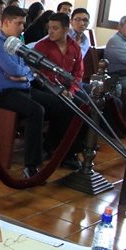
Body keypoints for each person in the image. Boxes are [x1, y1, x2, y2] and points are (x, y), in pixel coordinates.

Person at [0, 6, 64, 176]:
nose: (23, 27)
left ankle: (52, 147)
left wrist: (25, 76)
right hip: (4, 93)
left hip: (22, 88)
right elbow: (14, 70)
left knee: (60, 104)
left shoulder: (17, 42)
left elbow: (30, 69)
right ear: (5, 22)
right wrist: (24, 74)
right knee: (36, 111)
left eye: (23, 23)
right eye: (19, 23)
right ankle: (31, 166)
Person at [32, 12, 82, 166]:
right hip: (47, 86)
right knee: (65, 105)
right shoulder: (42, 46)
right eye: (49, 28)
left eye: (55, 28)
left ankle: (75, 148)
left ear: (66, 29)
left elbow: (78, 74)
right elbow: (38, 74)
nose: (50, 32)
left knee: (88, 104)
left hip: (68, 86)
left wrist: (72, 90)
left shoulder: (75, 47)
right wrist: (60, 90)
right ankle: (57, 148)